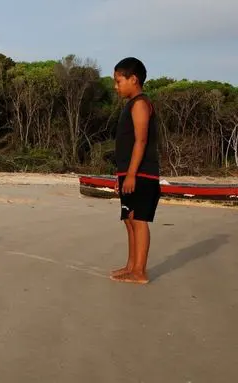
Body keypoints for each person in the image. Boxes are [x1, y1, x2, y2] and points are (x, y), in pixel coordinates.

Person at [110, 57, 161, 285]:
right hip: (128, 172)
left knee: (139, 220)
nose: (116, 86)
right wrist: (121, 175)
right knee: (129, 219)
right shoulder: (130, 104)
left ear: (134, 79)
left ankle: (140, 271)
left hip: (142, 173)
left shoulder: (140, 103)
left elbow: (141, 141)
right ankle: (131, 266)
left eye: (119, 81)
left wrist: (131, 174)